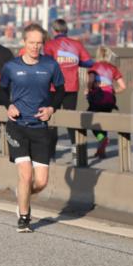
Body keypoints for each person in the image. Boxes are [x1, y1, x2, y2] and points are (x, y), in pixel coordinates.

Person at [0, 24, 65, 232]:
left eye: (39, 43)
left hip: (40, 127)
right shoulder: (11, 66)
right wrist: (8, 105)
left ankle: (23, 196)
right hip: (17, 126)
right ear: (24, 43)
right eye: (31, 43)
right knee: (25, 176)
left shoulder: (50, 65)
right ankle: (24, 218)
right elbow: (0, 90)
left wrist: (51, 108)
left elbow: (61, 90)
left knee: (41, 182)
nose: (35, 47)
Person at [43, 18, 94, 160]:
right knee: (71, 119)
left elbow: (46, 64)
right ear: (67, 30)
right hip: (71, 86)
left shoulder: (50, 45)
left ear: (54, 30)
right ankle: (75, 150)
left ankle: (50, 153)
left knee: (52, 119)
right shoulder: (76, 44)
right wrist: (75, 62)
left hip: (54, 87)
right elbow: (89, 62)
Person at [87, 47, 126, 159]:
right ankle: (101, 151)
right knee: (104, 122)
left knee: (90, 121)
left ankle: (102, 139)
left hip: (97, 98)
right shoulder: (113, 68)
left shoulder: (94, 67)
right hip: (109, 99)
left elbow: (90, 81)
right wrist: (113, 91)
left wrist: (89, 89)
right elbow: (123, 87)